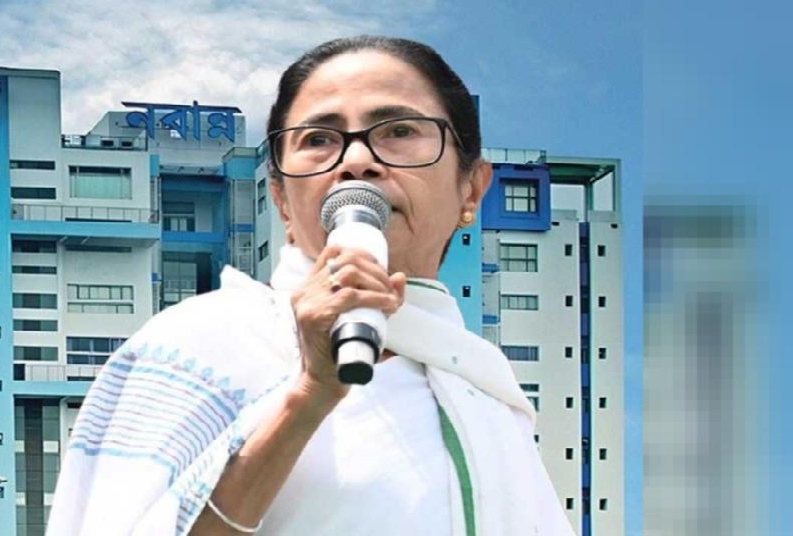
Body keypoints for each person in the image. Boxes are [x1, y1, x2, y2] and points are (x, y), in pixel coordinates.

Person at [47, 35, 572, 536]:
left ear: (472, 189)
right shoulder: (200, 347)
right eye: (319, 140)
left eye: (399, 131)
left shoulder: (484, 392)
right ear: (281, 201)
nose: (357, 161)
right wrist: (307, 396)